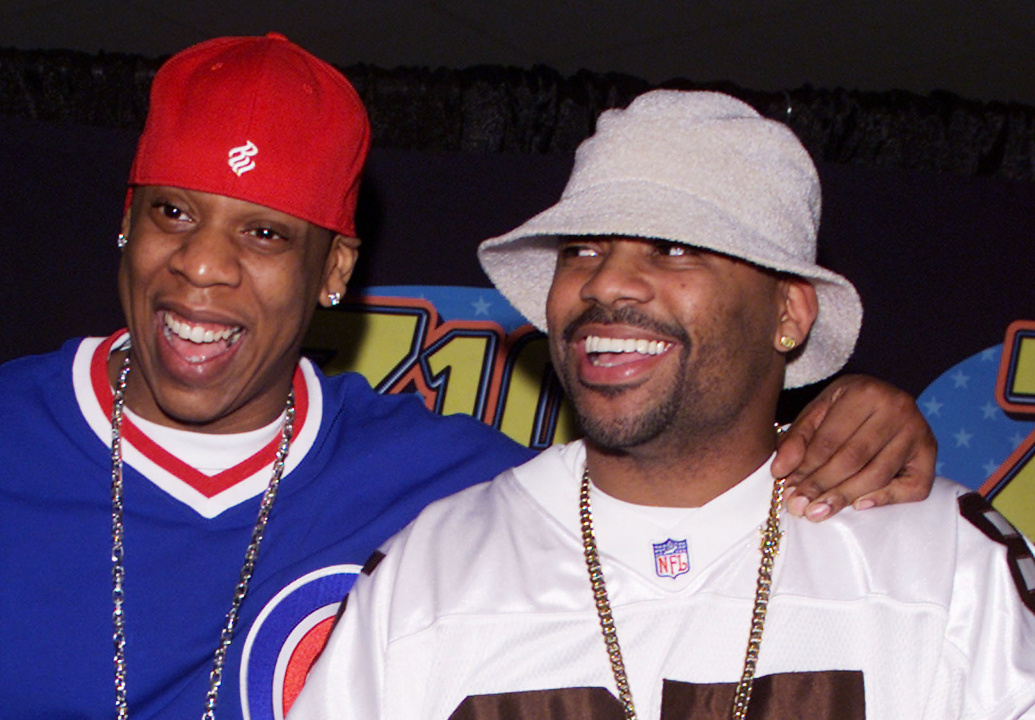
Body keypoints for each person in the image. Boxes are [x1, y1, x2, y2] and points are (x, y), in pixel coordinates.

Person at [0, 38, 938, 720]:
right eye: (172, 213)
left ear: (333, 271)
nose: (202, 265)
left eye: (265, 234)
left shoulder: (448, 488)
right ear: (126, 222)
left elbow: (679, 506)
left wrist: (840, 422)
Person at [289, 90, 1035, 720]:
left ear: (788, 312)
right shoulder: (434, 568)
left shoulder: (944, 559)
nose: (605, 284)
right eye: (582, 250)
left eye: (673, 248)